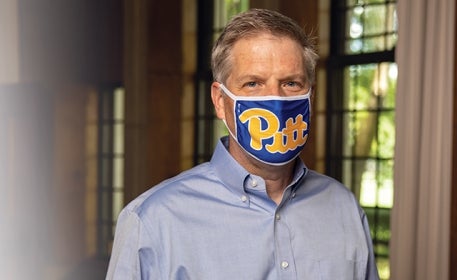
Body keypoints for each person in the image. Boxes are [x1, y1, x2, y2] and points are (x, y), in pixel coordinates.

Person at [106, 8, 379, 280]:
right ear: (219, 101)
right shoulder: (152, 222)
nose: (275, 99)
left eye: (291, 83)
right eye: (253, 84)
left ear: (311, 95)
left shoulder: (345, 209)